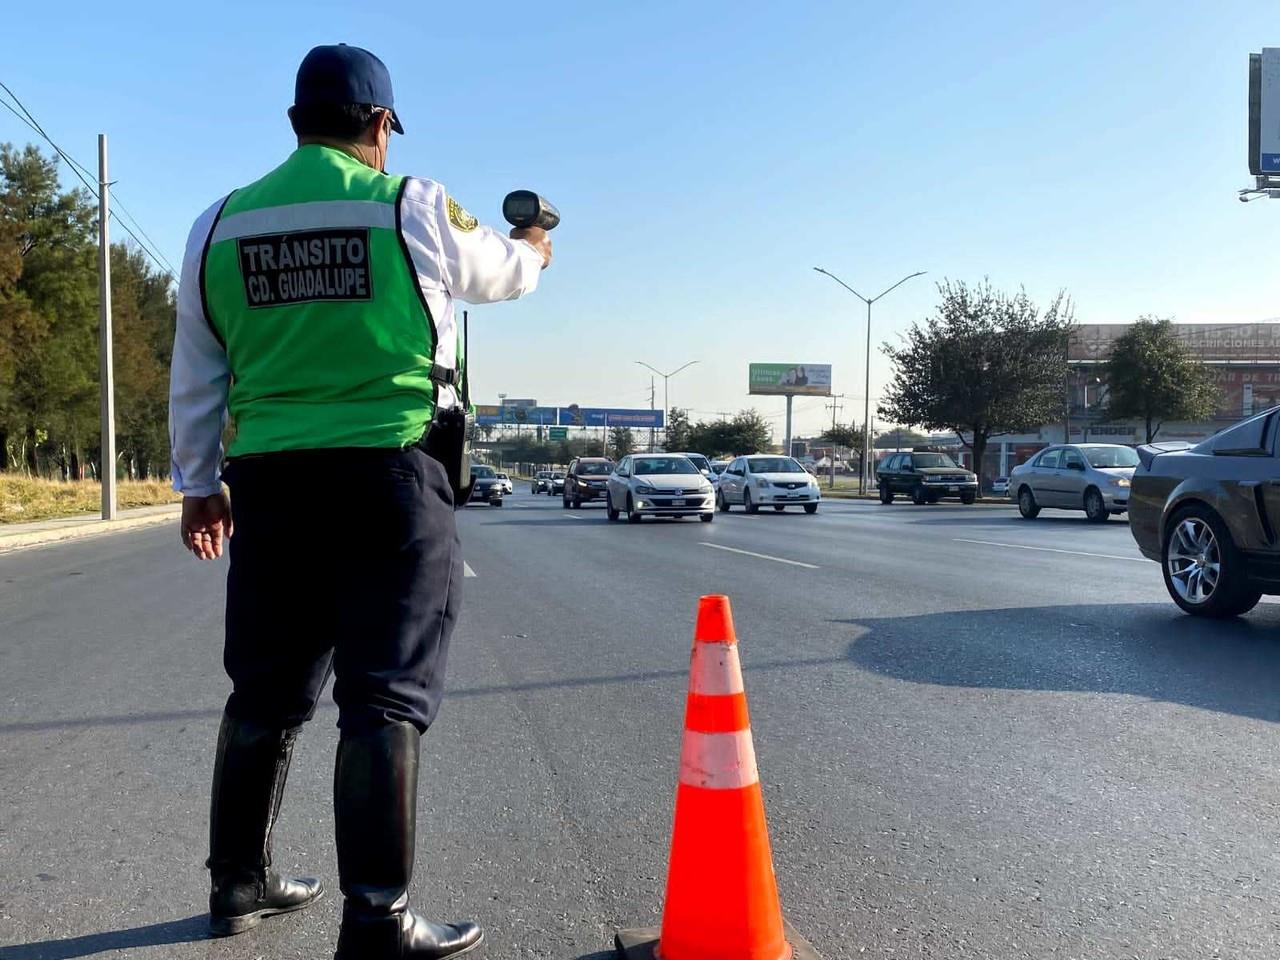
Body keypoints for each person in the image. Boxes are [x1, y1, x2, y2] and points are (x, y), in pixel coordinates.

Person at [169, 43, 551, 960]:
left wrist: (197, 485)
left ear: (296, 121)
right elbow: (500, 273)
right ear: (379, 125)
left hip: (271, 482)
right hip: (388, 477)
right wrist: (535, 245)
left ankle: (238, 884)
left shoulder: (218, 224)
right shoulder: (409, 202)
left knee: (264, 688)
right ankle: (377, 919)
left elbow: (197, 369)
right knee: (381, 698)